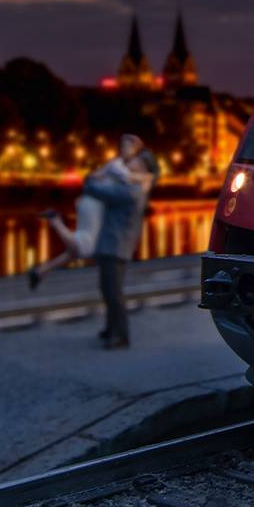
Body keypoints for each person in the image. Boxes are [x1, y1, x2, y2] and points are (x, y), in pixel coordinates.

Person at [83, 134, 158, 349]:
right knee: (108, 289)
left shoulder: (132, 190)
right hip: (114, 244)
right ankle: (110, 329)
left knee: (113, 291)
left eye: (136, 162)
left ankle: (121, 335)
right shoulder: (133, 186)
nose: (130, 163)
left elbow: (96, 189)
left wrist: (91, 178)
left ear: (142, 168)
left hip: (116, 245)